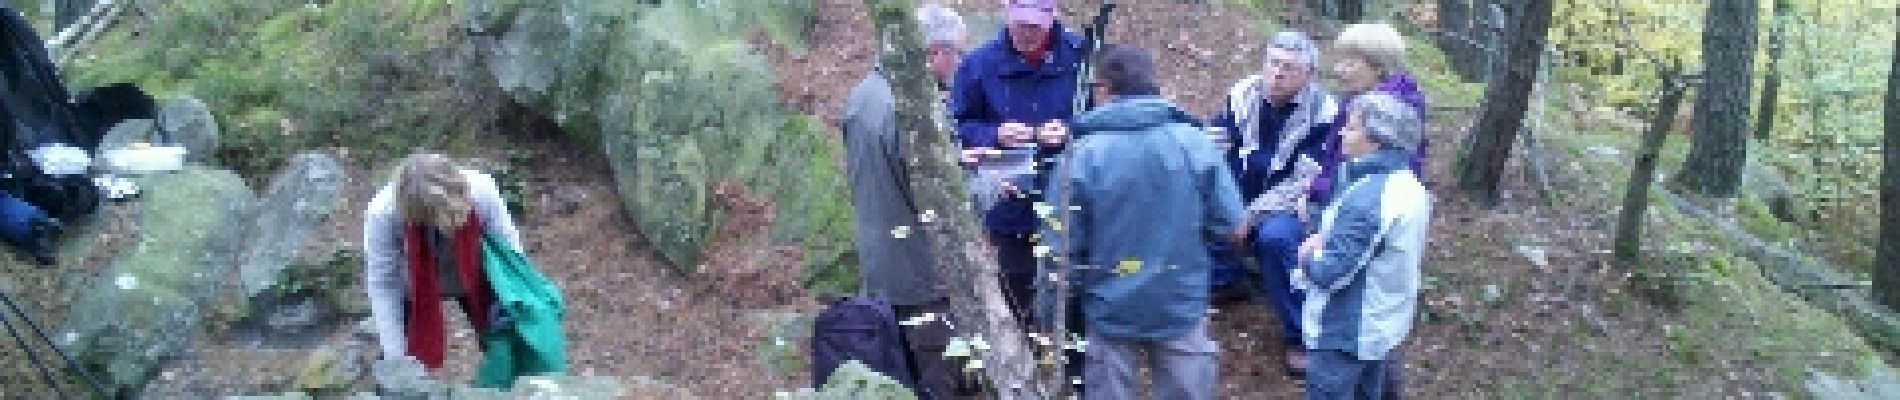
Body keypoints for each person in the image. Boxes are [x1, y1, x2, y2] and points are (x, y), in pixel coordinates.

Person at [1043, 44, 1244, 400]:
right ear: (1153, 85)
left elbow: (1059, 254)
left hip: (1109, 310)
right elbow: (1233, 229)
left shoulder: (1080, 156)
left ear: (1102, 89)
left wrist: (1047, 318)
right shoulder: (1194, 144)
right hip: (1180, 304)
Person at [836, 5, 976, 398]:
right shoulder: (913, 111)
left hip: (880, 266)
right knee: (940, 382)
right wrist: (988, 187)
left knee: (897, 378)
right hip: (923, 274)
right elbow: (942, 200)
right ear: (933, 53)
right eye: (958, 54)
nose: (961, 64)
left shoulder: (863, 95)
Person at [1210, 30, 1340, 377]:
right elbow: (1218, 142)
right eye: (1273, 63)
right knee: (1198, 208)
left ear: (1309, 75)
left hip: (1293, 204)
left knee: (1276, 238)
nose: (1277, 73)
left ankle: (1300, 334)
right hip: (1241, 190)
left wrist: (1248, 217)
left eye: (1289, 68)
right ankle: (1225, 280)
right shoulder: (1243, 93)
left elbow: (1305, 181)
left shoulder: (1325, 113)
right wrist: (1211, 187)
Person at [948, 0, 1083, 330]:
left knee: (1072, 287)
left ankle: (1071, 366)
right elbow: (955, 126)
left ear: (1053, 18)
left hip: (1070, 193)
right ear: (1006, 15)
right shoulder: (980, 64)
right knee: (1016, 292)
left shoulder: (1083, 57)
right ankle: (1026, 360)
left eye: (1035, 25)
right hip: (1008, 199)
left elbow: (1108, 115)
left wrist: (1071, 129)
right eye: (1021, 23)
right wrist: (994, 134)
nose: (1027, 33)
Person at [1294, 93, 1430, 400]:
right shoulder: (1408, 184)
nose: (1342, 132)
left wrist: (1308, 255)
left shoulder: (1370, 197)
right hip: (1381, 323)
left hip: (1345, 330)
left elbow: (1330, 272)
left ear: (1377, 141)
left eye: (1352, 128)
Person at [1326, 22, 1431, 398]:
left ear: (1377, 65)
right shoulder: (1361, 102)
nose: (1339, 69)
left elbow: (1381, 181)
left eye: (1349, 61)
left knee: (1366, 317)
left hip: (1370, 224)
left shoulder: (1388, 113)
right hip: (1356, 214)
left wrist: (1315, 255)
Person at [363, 153, 524, 374]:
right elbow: (383, 284)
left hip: (472, 271)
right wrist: (395, 357)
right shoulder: (382, 213)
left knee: (507, 341)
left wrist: (511, 297)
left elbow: (510, 253)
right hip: (413, 283)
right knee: (401, 362)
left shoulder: (481, 191)